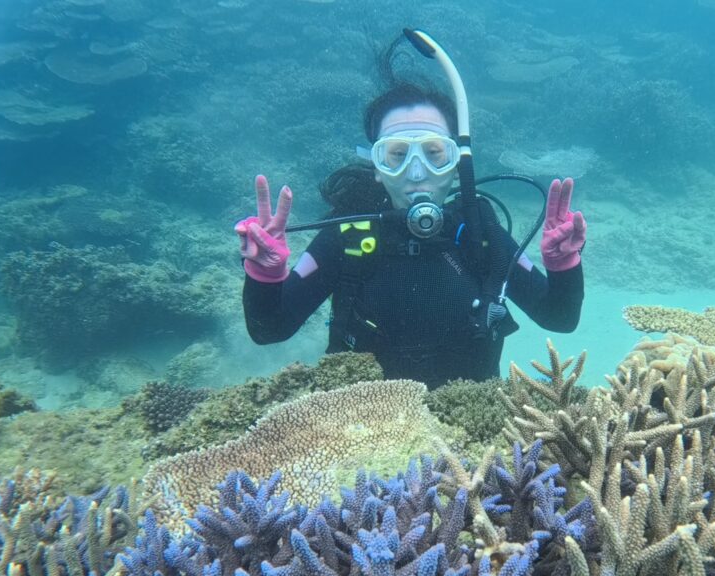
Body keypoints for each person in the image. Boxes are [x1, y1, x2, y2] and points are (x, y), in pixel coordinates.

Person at [235, 53, 586, 389]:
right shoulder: (347, 235)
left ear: (455, 163)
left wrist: (563, 265)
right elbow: (270, 330)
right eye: (397, 156)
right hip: (359, 430)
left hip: (469, 436)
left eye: (434, 154)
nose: (416, 173)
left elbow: (560, 318)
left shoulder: (481, 233)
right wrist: (265, 275)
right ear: (377, 167)